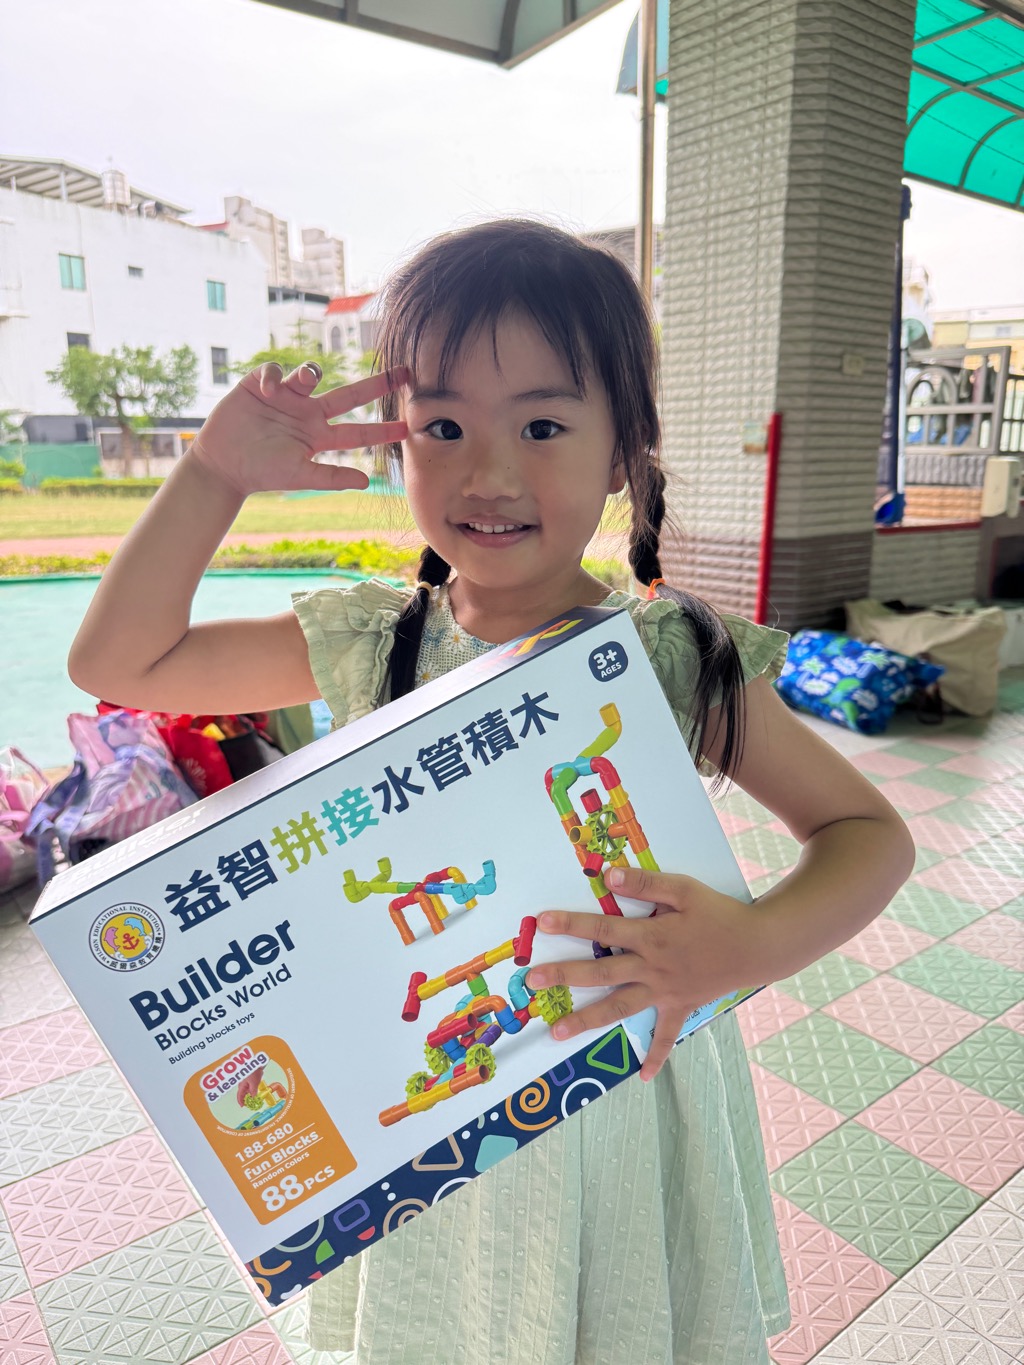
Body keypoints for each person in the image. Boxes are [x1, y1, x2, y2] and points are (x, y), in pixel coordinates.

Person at [69, 219, 914, 1365]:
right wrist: (213, 476)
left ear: (623, 451)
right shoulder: (370, 638)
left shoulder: (670, 654)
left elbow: (866, 834)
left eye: (543, 426)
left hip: (623, 1091)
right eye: (444, 427)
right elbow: (121, 662)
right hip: (438, 1108)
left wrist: (749, 944)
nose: (490, 473)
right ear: (399, 444)